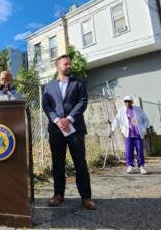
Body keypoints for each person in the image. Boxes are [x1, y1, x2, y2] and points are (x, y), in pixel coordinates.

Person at [42, 55, 96, 210]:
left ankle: (86, 197)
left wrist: (70, 119)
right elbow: (46, 105)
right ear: (57, 66)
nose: (69, 66)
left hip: (75, 130)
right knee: (58, 163)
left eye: (69, 63)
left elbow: (83, 102)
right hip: (56, 130)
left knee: (80, 163)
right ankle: (58, 195)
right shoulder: (49, 86)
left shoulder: (78, 83)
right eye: (66, 64)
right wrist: (57, 120)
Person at [111, 96, 149, 174]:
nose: (127, 103)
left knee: (140, 151)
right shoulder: (121, 111)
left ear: (132, 102)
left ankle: (141, 167)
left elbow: (146, 120)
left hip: (138, 135)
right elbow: (116, 121)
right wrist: (112, 130)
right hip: (128, 135)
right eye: (126, 101)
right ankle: (130, 166)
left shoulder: (138, 110)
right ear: (124, 102)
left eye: (129, 101)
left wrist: (144, 128)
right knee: (129, 151)